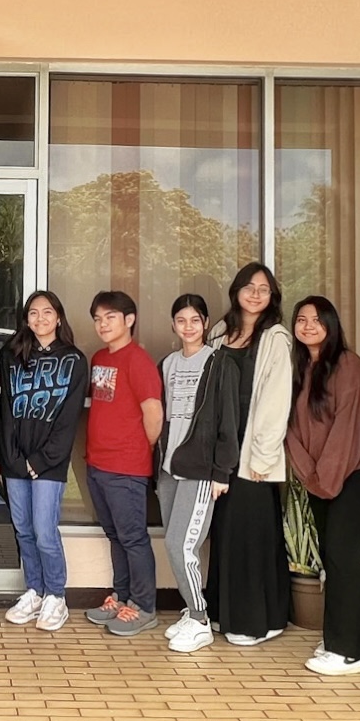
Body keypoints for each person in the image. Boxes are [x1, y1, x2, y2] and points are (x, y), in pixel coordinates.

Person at [285, 296, 360, 675]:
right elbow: (290, 432)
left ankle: (352, 652)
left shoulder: (348, 365)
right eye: (301, 319)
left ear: (331, 324)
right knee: (333, 556)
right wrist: (309, 475)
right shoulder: (298, 369)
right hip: (320, 479)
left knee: (345, 556)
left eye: (317, 319)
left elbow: (353, 430)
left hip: (358, 473)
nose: (308, 326)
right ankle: (337, 640)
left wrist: (324, 480)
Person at [205, 263, 294, 647]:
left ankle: (258, 619)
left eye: (265, 288)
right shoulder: (219, 334)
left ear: (272, 296)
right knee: (225, 533)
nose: (256, 294)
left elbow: (277, 402)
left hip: (254, 455)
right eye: (249, 286)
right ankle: (223, 612)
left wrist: (261, 457)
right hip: (222, 452)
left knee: (252, 535)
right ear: (236, 290)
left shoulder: (276, 338)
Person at [0, 291, 88, 633]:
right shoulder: (12, 356)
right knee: (22, 530)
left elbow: (68, 420)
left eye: (47, 312)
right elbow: (6, 408)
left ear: (59, 317)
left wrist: (40, 461)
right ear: (26, 320)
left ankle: (56, 595)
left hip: (48, 463)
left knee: (44, 531)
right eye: (33, 313)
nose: (40, 318)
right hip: (14, 461)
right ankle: (34, 591)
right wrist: (11, 457)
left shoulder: (75, 361)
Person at [158, 294, 240, 655]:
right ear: (173, 325)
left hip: (201, 469)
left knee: (182, 545)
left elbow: (228, 422)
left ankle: (200, 618)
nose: (188, 327)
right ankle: (191, 612)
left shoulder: (221, 364)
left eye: (195, 320)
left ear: (206, 323)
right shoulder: (169, 363)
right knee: (175, 545)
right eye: (181, 320)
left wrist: (222, 471)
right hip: (168, 468)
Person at [82, 291, 164, 636]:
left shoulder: (138, 360)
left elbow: (154, 414)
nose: (103, 324)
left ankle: (144, 607)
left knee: (133, 537)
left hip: (126, 468)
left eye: (110, 317)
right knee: (115, 535)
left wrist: (135, 449)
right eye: (98, 318)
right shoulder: (100, 357)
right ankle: (123, 596)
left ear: (129, 320)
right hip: (97, 464)